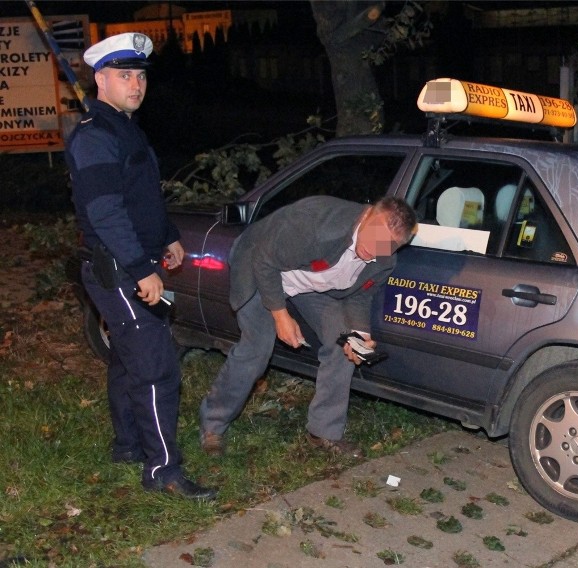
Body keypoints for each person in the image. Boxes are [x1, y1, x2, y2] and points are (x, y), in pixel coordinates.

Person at [66, 33, 216, 500]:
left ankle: (129, 444)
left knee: (129, 358)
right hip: (119, 267)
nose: (136, 84)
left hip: (135, 259)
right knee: (156, 367)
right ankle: (163, 472)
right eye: (125, 75)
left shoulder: (125, 128)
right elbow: (107, 212)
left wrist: (168, 233)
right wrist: (139, 268)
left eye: (140, 75)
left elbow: (141, 196)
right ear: (100, 79)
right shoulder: (95, 136)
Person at [199, 195, 417, 457]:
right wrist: (280, 316)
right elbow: (265, 260)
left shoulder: (384, 259)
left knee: (343, 343)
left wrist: (360, 333)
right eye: (374, 236)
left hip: (309, 281)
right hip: (261, 266)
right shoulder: (316, 223)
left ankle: (324, 431)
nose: (373, 249)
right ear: (367, 214)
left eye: (387, 246)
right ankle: (213, 425)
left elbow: (361, 294)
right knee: (257, 349)